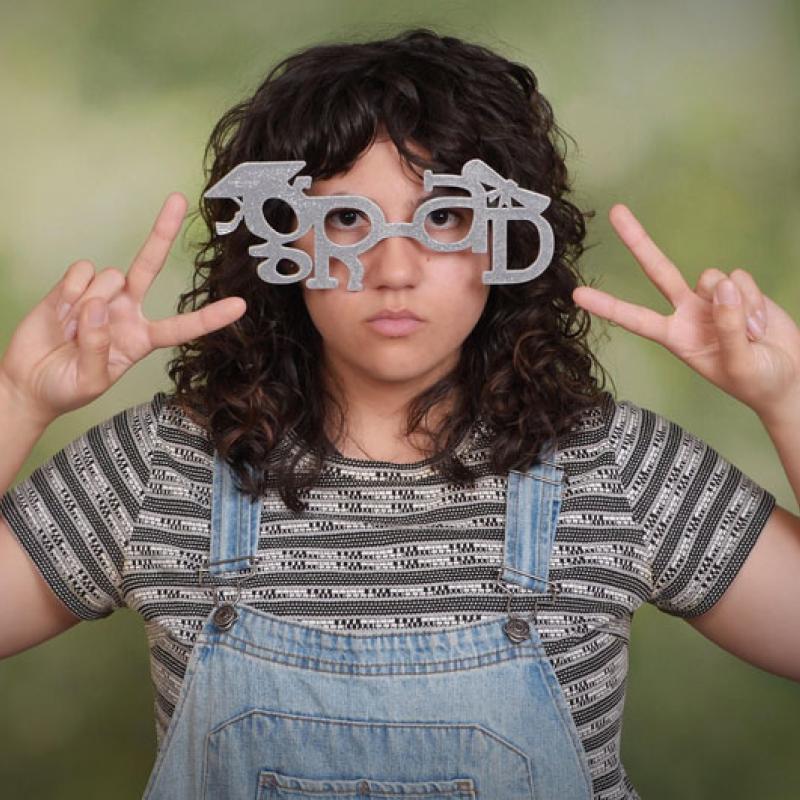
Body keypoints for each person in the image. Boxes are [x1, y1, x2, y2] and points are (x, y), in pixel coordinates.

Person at [0, 27, 798, 800]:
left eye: (444, 217)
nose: (393, 269)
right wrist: (18, 399)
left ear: (509, 239)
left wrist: (787, 399)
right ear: (282, 240)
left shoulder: (613, 468)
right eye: (347, 219)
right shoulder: (160, 465)